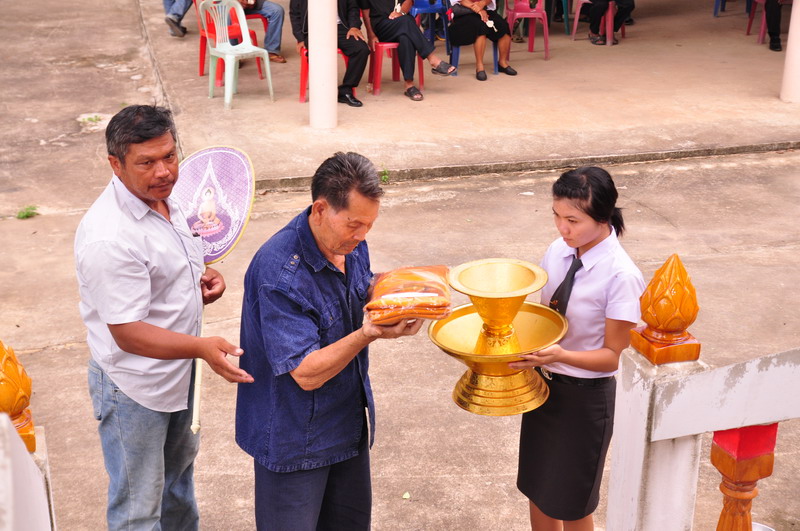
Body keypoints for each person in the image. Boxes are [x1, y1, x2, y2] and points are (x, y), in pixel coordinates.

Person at [74, 105, 254, 530]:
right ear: (116, 164)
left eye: (170, 156)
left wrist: (201, 280)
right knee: (138, 509)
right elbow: (128, 333)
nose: (164, 171)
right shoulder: (108, 237)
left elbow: (167, 271)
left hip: (179, 373)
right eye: (147, 162)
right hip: (134, 387)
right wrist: (203, 348)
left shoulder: (164, 198)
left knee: (177, 490)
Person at [235, 152, 424, 530]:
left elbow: (361, 287)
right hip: (294, 439)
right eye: (354, 224)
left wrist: (397, 294)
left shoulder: (349, 243)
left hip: (346, 422)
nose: (362, 235)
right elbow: (305, 373)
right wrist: (369, 333)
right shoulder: (279, 274)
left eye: (369, 225)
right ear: (320, 209)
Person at [510, 166, 645, 530]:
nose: (562, 228)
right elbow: (544, 317)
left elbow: (612, 357)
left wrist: (561, 356)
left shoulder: (621, 276)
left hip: (585, 400)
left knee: (572, 502)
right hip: (542, 388)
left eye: (573, 220)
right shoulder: (558, 250)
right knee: (538, 489)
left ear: (603, 217)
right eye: (556, 216)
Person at [360, 0, 457, 101]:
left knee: (405, 38)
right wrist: (371, 35)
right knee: (407, 22)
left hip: (403, 22)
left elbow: (408, 1)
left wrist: (401, 13)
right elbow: (365, 10)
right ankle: (432, 59)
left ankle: (409, 85)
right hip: (382, 26)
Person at [290, 0, 371, 107]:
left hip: (340, 27)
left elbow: (353, 7)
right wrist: (300, 38)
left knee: (361, 49)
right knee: (318, 52)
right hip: (314, 29)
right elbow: (295, 14)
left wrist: (354, 27)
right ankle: (322, 89)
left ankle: (346, 90)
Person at [448, 0, 517, 81]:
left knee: (503, 25)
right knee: (480, 27)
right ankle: (480, 66)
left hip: (484, 9)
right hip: (464, 12)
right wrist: (478, 9)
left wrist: (483, 3)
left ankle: (502, 63)